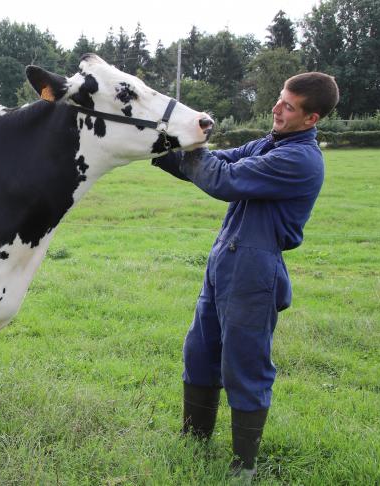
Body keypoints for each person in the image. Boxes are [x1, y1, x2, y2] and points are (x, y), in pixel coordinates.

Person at [151, 72, 339, 480]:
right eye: (279, 99)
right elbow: (211, 163)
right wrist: (158, 146)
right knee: (199, 353)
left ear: (312, 118)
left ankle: (244, 465)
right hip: (226, 260)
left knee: (245, 366)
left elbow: (223, 178)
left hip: (255, 269)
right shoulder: (270, 144)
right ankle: (194, 440)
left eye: (289, 106)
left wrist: (192, 138)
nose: (276, 108)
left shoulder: (299, 159)